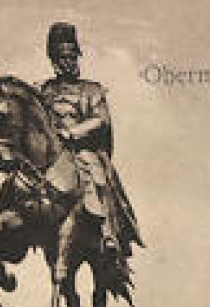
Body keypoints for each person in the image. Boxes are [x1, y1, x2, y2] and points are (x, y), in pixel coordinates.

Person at [39, 22, 143, 259]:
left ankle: (107, 232)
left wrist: (72, 133)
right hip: (51, 155)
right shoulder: (44, 91)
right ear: (53, 60)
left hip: (81, 149)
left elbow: (100, 120)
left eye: (72, 57)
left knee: (96, 175)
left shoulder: (92, 90)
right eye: (62, 58)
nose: (68, 62)